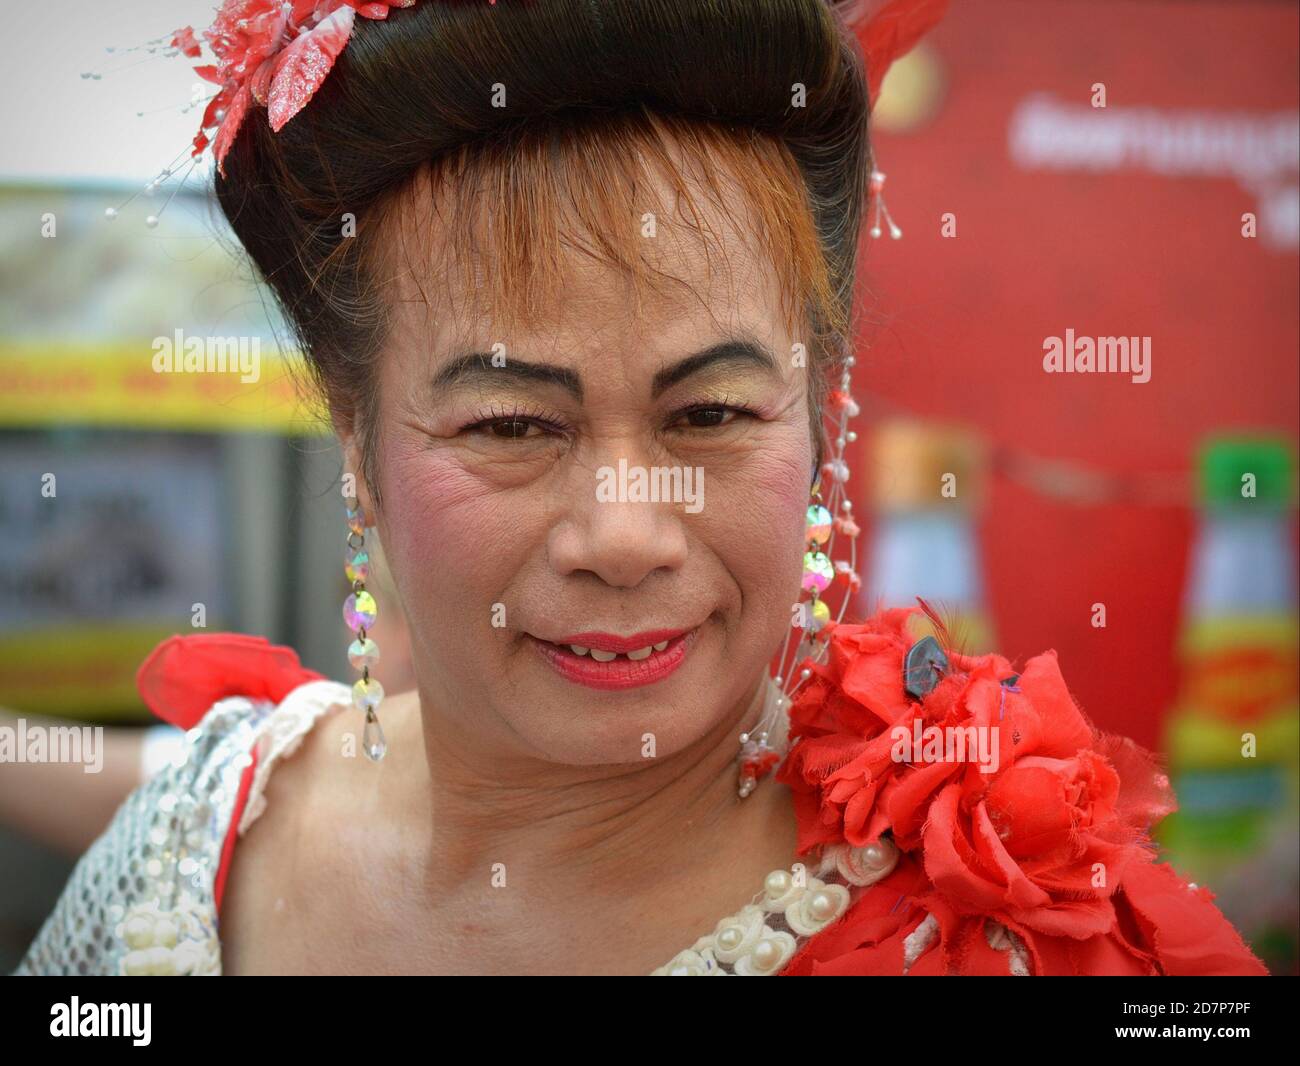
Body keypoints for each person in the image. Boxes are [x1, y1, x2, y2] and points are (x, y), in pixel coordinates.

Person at [14, 0, 1268, 976]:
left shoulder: (1006, 939)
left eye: (710, 413)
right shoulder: (187, 856)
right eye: (511, 422)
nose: (623, 533)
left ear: (820, 413)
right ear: (356, 439)